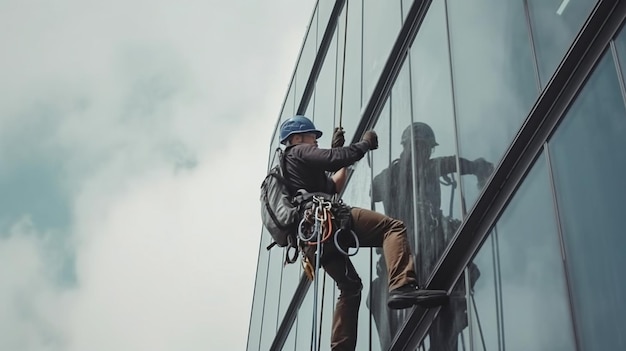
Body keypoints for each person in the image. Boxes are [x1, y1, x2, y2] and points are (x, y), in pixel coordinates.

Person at [279, 115, 449, 351]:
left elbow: (335, 185)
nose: (316, 141)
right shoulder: (296, 152)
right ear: (297, 138)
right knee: (393, 227)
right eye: (312, 136)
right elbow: (332, 159)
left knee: (351, 288)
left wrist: (339, 155)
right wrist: (365, 143)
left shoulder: (298, 172)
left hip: (315, 238)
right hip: (327, 220)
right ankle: (402, 286)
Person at [370, 122, 492, 350]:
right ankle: (396, 344)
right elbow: (373, 190)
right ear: (408, 147)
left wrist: (477, 167)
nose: (423, 153)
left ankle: (441, 330)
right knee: (377, 294)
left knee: (448, 297)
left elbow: (451, 164)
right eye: (420, 147)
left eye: (426, 148)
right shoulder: (393, 174)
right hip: (405, 250)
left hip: (426, 245)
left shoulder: (427, 167)